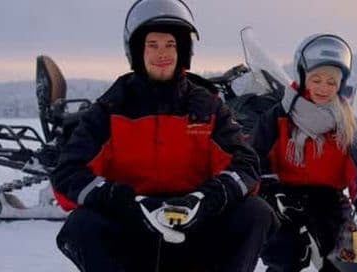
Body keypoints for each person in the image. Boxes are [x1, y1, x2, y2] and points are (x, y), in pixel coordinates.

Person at [50, 1, 278, 271]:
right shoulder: (110, 108)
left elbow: (245, 165)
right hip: (132, 230)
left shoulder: (207, 107)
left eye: (170, 45)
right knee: (81, 225)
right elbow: (68, 174)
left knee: (255, 213)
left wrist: (204, 200)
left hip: (197, 227)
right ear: (136, 51)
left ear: (183, 50)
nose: (163, 54)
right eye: (153, 45)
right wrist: (127, 203)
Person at [252, 33, 357, 272]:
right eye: (316, 79)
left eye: (332, 82)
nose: (324, 88)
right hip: (284, 201)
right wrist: (273, 192)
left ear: (340, 85)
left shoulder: (347, 126)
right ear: (302, 77)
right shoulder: (277, 118)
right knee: (283, 255)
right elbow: (255, 160)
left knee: (341, 259)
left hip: (329, 201)